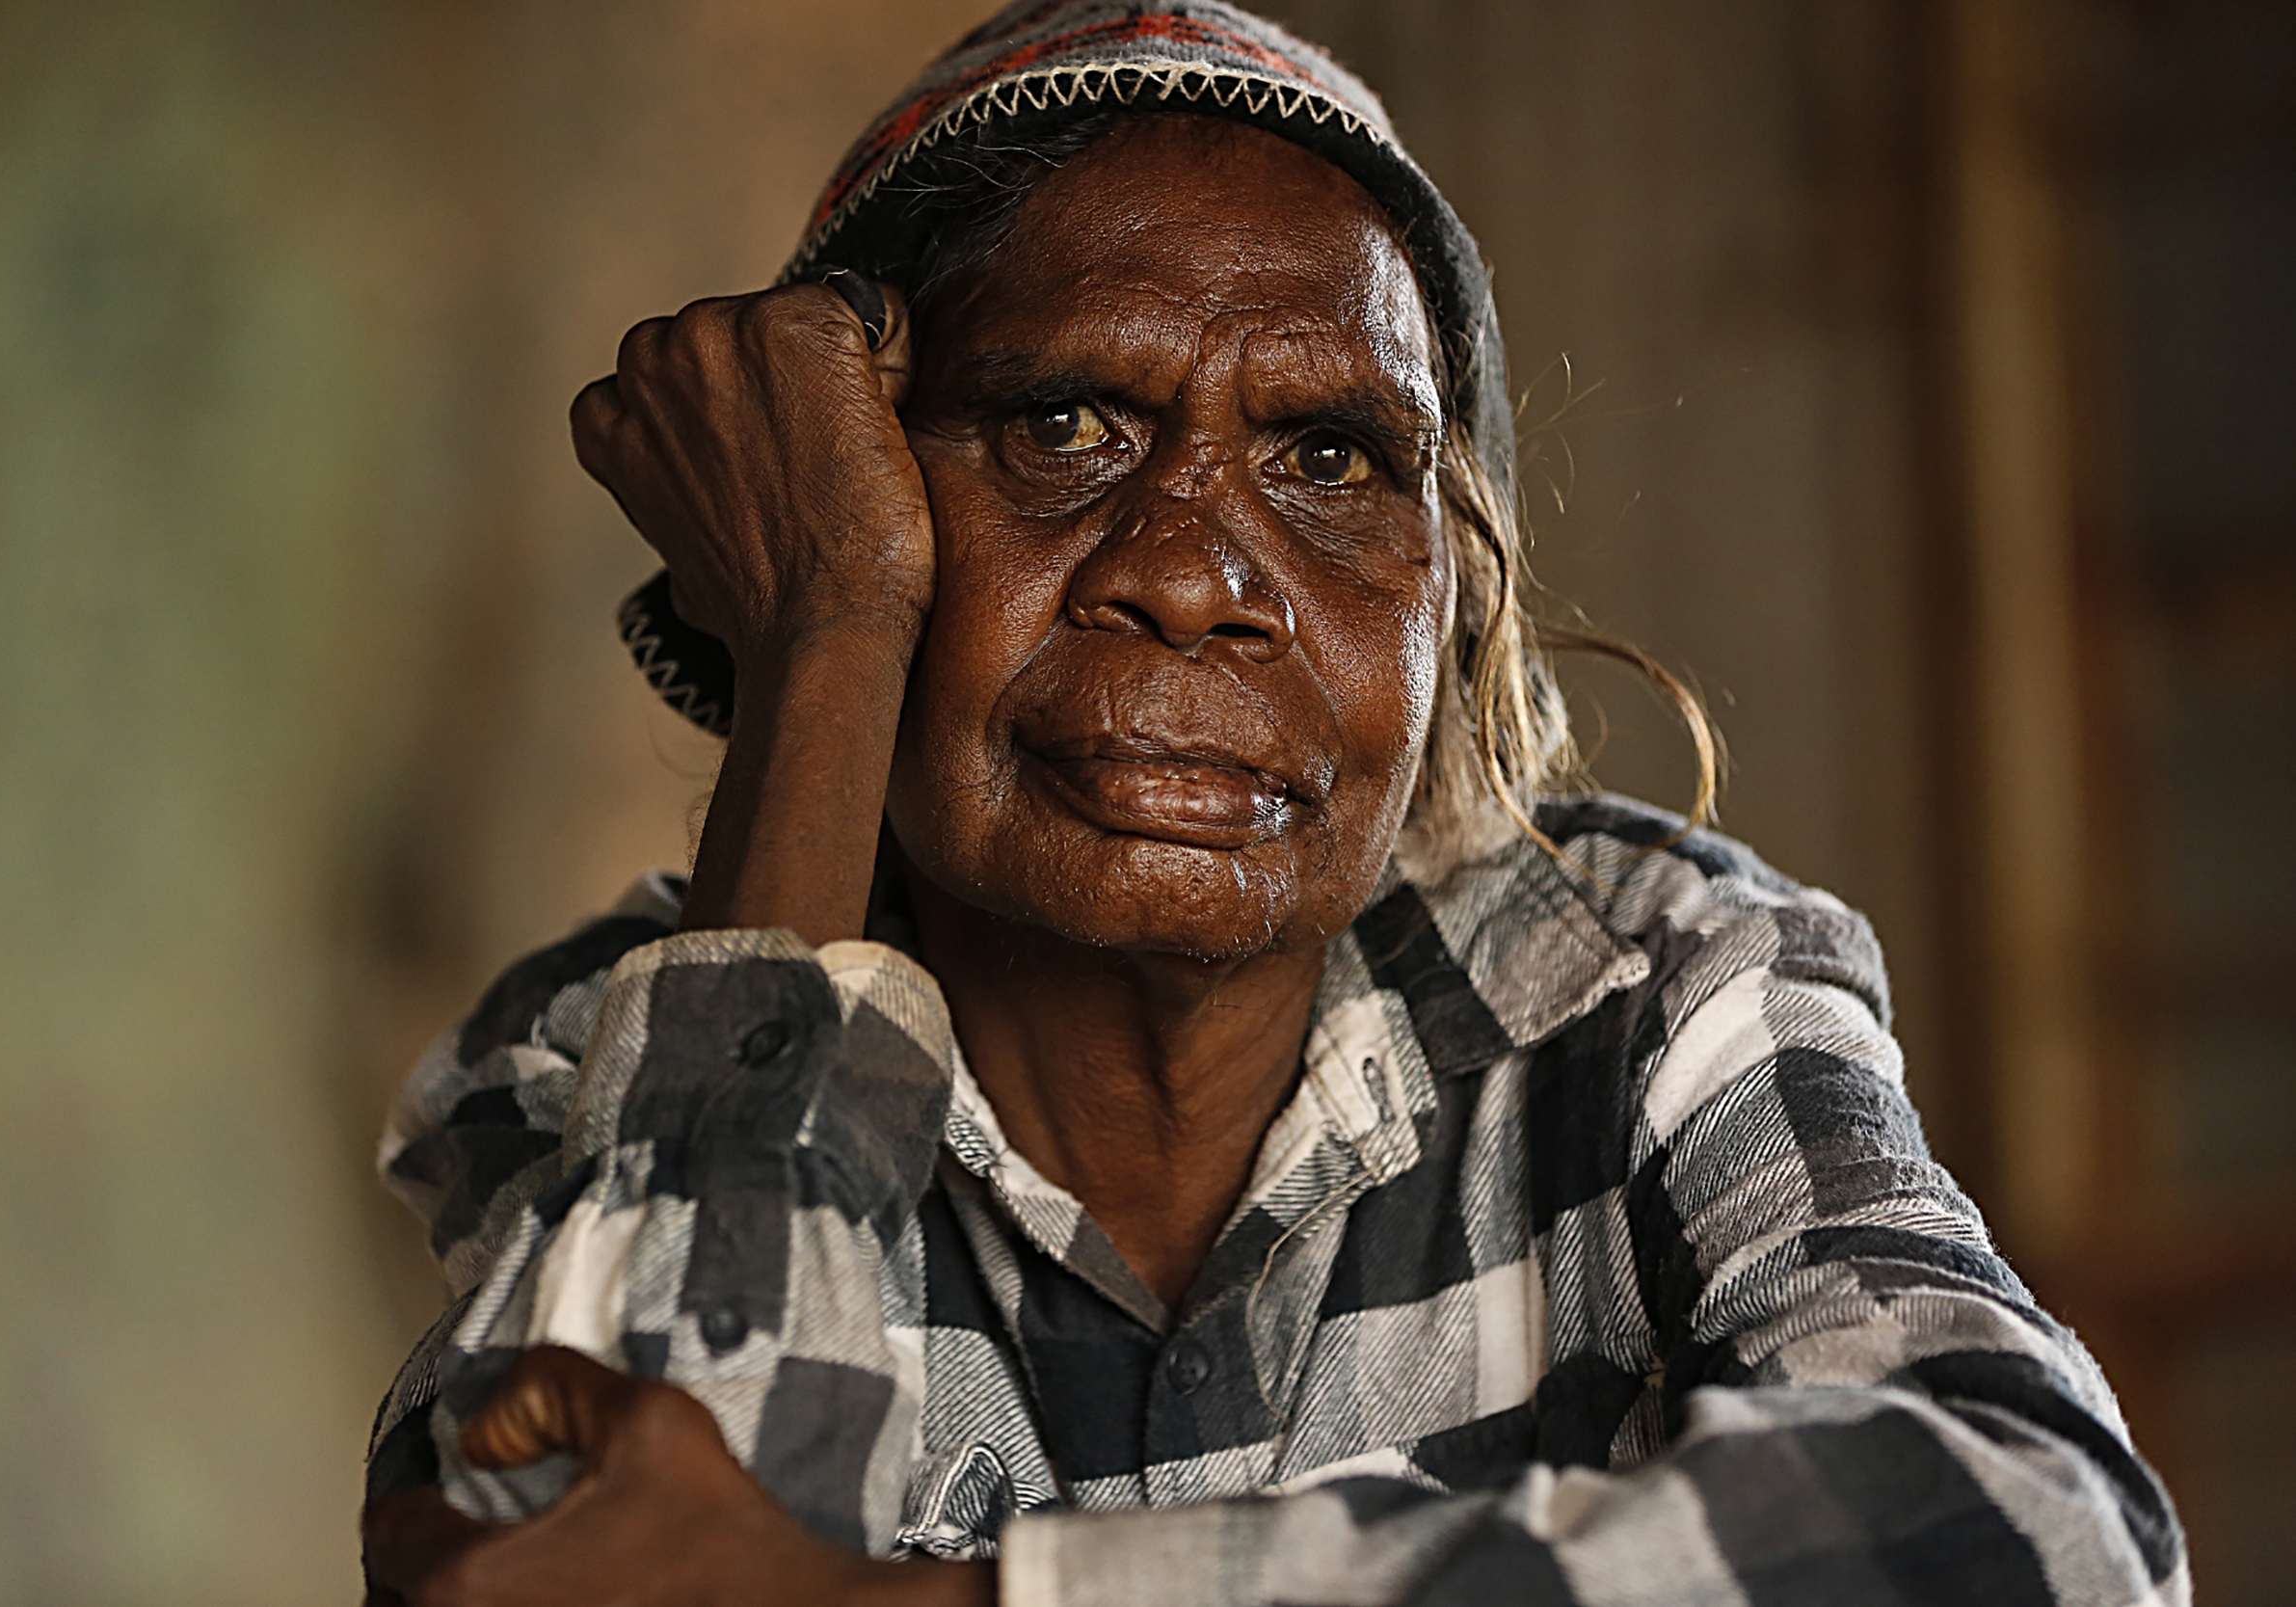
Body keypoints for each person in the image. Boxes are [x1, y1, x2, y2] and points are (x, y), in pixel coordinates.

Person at [358, 4, 2187, 1604]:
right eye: (1065, 424)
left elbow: (2043, 1548)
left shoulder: (1647, 1002)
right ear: (849, 514)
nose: (1195, 571)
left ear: (1452, 610)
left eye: (1331, 458)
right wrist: (823, 639)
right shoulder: (606, 1052)